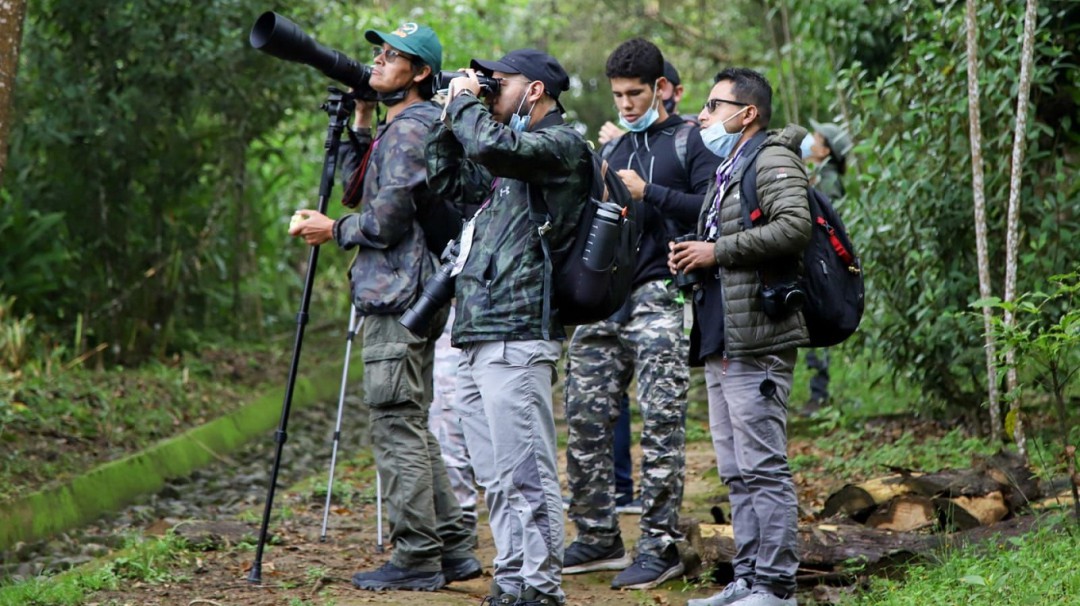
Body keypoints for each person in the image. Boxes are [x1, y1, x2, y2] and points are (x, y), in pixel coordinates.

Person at [287, 22, 480, 592]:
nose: (378, 61)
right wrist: (363, 122)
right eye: (378, 52)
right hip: (409, 291)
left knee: (396, 424)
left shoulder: (410, 131)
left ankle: (417, 556)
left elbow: (383, 220)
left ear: (419, 73)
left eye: (393, 56)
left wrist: (333, 229)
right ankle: (453, 550)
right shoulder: (403, 128)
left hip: (396, 294)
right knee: (411, 423)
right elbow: (365, 186)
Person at [425, 48, 588, 606]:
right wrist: (453, 112)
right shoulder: (506, 162)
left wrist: (470, 100)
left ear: (535, 90)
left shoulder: (559, 146)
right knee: (496, 474)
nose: (491, 87)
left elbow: (494, 146)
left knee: (527, 470)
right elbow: (448, 179)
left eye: (502, 81)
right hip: (476, 329)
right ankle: (513, 577)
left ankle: (542, 589)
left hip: (518, 330)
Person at [562, 38, 720, 591]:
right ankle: (597, 534)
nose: (626, 104)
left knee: (662, 423)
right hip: (605, 300)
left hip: (662, 294)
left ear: (661, 90)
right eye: (618, 95)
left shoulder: (690, 141)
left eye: (635, 94)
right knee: (583, 415)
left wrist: (649, 191)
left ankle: (659, 544)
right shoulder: (608, 150)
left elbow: (713, 210)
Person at [670, 67, 811, 606]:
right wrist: (693, 255)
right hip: (723, 338)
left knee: (763, 466)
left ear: (746, 113)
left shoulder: (772, 158)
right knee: (736, 470)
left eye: (713, 105)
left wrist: (717, 252)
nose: (703, 116)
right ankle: (748, 579)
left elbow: (794, 226)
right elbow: (723, 240)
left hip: (760, 339)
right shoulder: (730, 166)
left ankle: (777, 587)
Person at [799, 120, 852, 411]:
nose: (811, 140)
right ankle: (815, 392)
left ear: (826, 149)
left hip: (823, 265)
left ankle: (819, 394)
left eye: (816, 138)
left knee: (818, 322)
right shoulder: (819, 175)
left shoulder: (828, 180)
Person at [598, 60, 694, 145]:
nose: (655, 94)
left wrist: (627, 143)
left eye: (660, 88)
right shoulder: (617, 144)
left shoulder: (694, 132)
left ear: (677, 93)